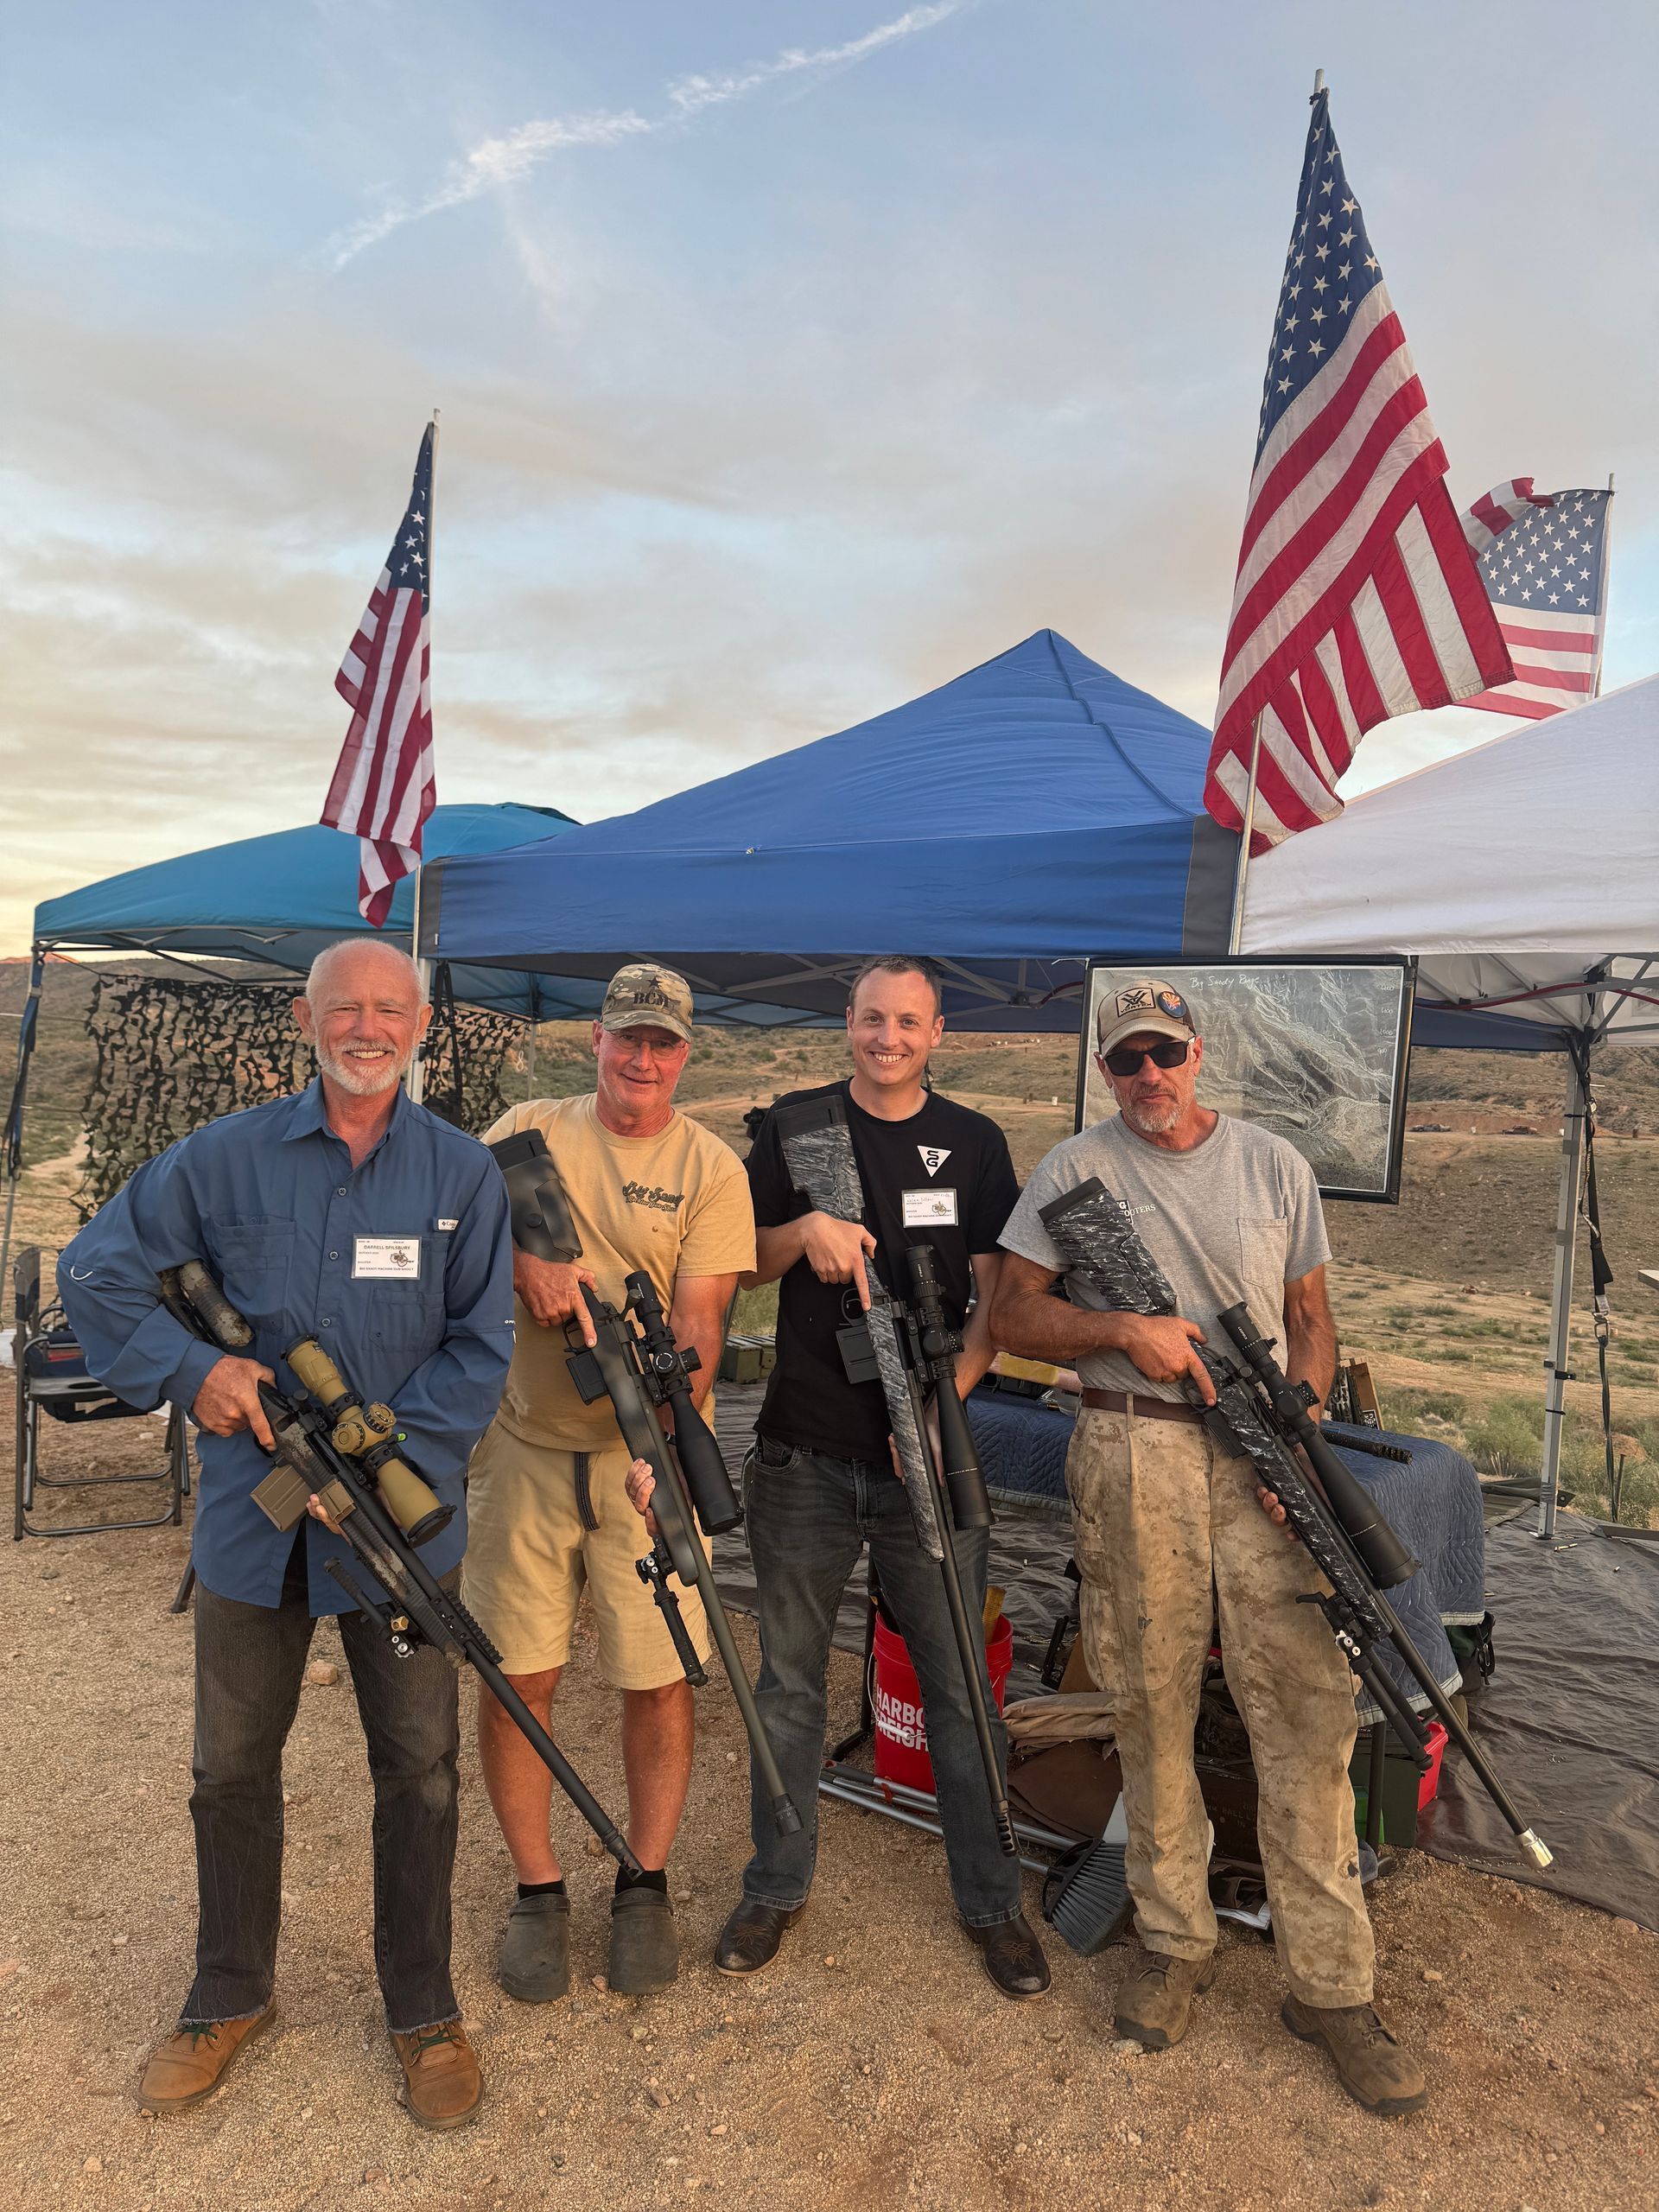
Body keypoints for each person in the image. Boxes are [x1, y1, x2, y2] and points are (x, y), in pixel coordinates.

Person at [58, 940, 514, 2130]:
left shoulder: (466, 1175)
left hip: (402, 1530)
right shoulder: (223, 1160)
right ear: (305, 1020)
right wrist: (193, 1370)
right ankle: (227, 1994)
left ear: (420, 1028)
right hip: (250, 1528)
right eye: (343, 1007)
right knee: (229, 1767)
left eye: (388, 1009)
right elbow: (99, 1269)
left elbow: (481, 1351)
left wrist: (380, 1463)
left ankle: (421, 2007)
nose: (365, 1027)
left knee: (418, 1770)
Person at [990, 979, 1427, 2116]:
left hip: (1263, 1460)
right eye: (1125, 1060)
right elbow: (1013, 1316)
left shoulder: (1275, 1165)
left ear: (1199, 1054)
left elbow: (1314, 1321)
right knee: (1151, 1711)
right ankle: (1177, 1947)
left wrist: (1305, 1438)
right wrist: (1121, 1329)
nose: (1148, 1077)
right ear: (1104, 1069)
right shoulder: (1067, 1175)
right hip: (1135, 1451)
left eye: (1165, 1055)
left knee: (1307, 1719)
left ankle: (1329, 1987)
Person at [705, 956, 1052, 1999]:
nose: (886, 1037)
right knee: (790, 1685)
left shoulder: (978, 1143)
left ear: (936, 1030)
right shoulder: (797, 1126)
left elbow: (1000, 1298)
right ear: (847, 1023)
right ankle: (775, 1882)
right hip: (803, 1453)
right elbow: (738, 1259)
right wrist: (802, 1230)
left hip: (926, 1463)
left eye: (907, 1021)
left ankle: (993, 1903)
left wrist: (939, 1407)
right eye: (870, 1018)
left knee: (957, 1686)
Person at [467, 964, 754, 2004]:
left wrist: (666, 1439)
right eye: (627, 1037)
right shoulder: (526, 1130)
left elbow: (702, 1320)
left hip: (647, 1455)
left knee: (658, 1675)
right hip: (527, 1449)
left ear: (686, 1053)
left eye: (663, 1043)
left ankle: (645, 1878)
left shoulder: (711, 1165)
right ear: (596, 1038)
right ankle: (537, 1888)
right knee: (517, 1674)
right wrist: (522, 1266)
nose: (642, 1058)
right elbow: (455, 1228)